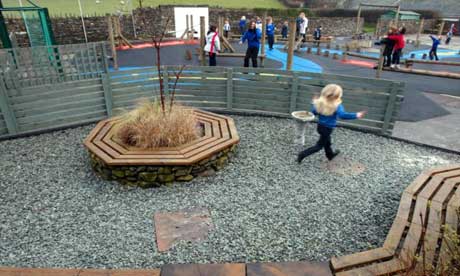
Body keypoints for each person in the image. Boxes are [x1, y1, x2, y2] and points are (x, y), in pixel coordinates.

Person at [297, 84, 366, 163]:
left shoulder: (320, 103)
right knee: (319, 146)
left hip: (320, 127)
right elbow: (343, 115)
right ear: (337, 96)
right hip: (328, 128)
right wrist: (356, 115)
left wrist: (314, 103)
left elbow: (313, 112)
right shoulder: (337, 106)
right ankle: (302, 154)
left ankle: (330, 155)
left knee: (327, 141)